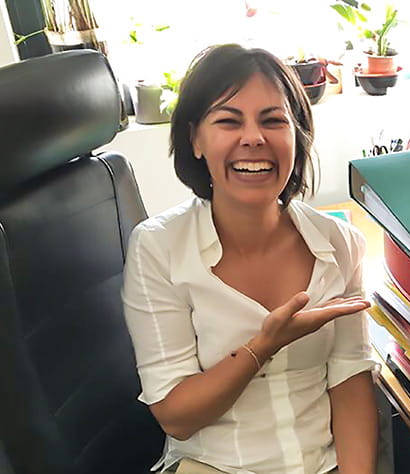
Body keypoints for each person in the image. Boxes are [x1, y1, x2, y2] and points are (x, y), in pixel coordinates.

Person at [122, 44, 379, 474]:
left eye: (273, 120)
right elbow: (176, 416)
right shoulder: (159, 248)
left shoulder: (340, 243)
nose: (254, 138)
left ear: (297, 135)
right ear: (195, 139)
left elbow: (349, 382)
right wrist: (264, 345)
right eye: (228, 121)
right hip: (214, 466)